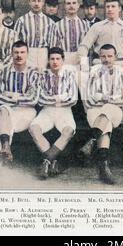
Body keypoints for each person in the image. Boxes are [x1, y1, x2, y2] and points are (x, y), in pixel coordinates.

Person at [78, 0, 123, 124]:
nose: (110, 9)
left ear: (119, 9)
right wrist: (85, 67)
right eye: (108, 6)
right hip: (100, 65)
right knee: (81, 77)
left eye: (113, 6)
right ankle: (91, 112)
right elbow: (83, 47)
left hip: (121, 64)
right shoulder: (98, 26)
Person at [79, 44, 123, 185]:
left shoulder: (122, 72)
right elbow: (89, 96)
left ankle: (92, 140)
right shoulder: (94, 71)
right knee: (105, 128)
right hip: (95, 109)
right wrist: (109, 97)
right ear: (99, 57)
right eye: (103, 56)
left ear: (116, 56)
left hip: (115, 110)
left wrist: (104, 98)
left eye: (109, 56)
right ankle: (103, 165)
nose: (106, 59)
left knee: (107, 110)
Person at [29, 47, 77, 179]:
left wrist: (53, 99)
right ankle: (53, 160)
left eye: (58, 59)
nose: (55, 62)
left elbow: (73, 99)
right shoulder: (43, 76)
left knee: (68, 131)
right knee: (34, 128)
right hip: (47, 112)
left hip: (65, 112)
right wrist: (61, 97)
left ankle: (46, 161)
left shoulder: (69, 75)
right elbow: (40, 98)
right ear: (48, 60)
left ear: (63, 60)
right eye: (52, 59)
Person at [0, 41, 39, 164]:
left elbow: (33, 100)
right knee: (4, 110)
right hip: (8, 109)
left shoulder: (33, 73)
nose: (19, 55)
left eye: (22, 52)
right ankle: (6, 147)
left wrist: (12, 97)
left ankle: (4, 148)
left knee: (7, 117)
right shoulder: (4, 72)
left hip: (27, 112)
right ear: (12, 53)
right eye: (16, 52)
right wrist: (22, 97)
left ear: (27, 54)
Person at [14, 0, 56, 71]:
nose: (36, 4)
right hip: (28, 53)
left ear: (43, 3)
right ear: (29, 2)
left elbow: (52, 43)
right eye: (33, 1)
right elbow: (15, 41)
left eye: (39, 1)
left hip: (43, 53)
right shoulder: (21, 20)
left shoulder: (50, 22)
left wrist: (50, 59)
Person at [54, 0, 89, 65]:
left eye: (74, 3)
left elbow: (89, 47)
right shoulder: (57, 25)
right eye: (68, 3)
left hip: (81, 58)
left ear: (78, 5)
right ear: (64, 6)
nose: (71, 6)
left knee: (81, 76)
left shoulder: (85, 25)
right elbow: (54, 46)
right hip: (64, 58)